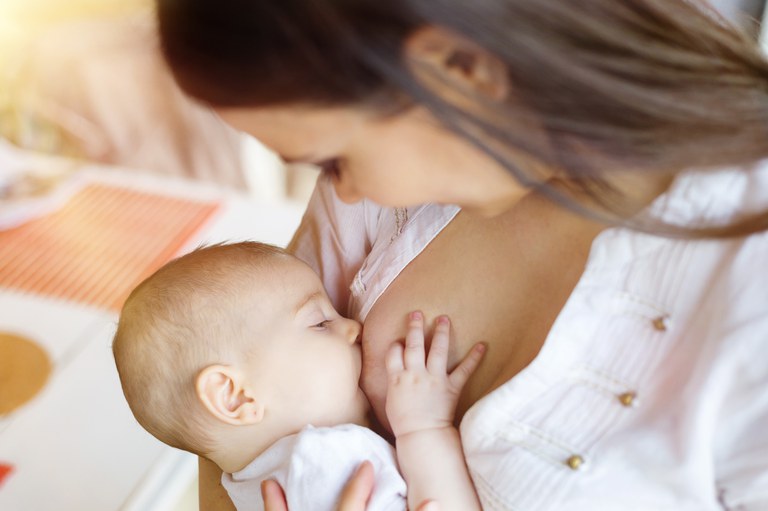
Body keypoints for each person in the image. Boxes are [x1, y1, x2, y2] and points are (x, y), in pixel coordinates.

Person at [154, 0, 768, 510]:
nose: (340, 191)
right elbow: (219, 419)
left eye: (333, 159)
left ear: (461, 75)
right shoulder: (387, 188)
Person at [112, 242, 486, 511]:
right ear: (235, 396)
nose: (353, 327)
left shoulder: (248, 486)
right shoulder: (324, 465)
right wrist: (425, 427)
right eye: (321, 322)